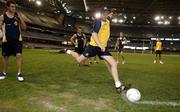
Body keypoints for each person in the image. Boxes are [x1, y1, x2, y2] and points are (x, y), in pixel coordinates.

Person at [63, 8, 130, 93]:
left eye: (107, 14)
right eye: (104, 14)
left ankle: (118, 86)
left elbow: (110, 15)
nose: (105, 15)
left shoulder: (107, 19)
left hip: (102, 48)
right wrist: (100, 46)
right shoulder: (98, 22)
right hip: (94, 47)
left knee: (113, 63)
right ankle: (69, 51)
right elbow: (94, 34)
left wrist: (112, 11)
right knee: (79, 60)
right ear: (101, 14)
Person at [0, 0, 27, 81]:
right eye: (12, 6)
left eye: (14, 6)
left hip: (17, 40)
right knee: (5, 57)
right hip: (6, 40)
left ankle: (19, 73)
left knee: (19, 55)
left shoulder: (17, 17)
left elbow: (24, 28)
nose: (14, 8)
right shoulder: (3, 17)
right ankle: (4, 73)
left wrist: (20, 19)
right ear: (7, 7)